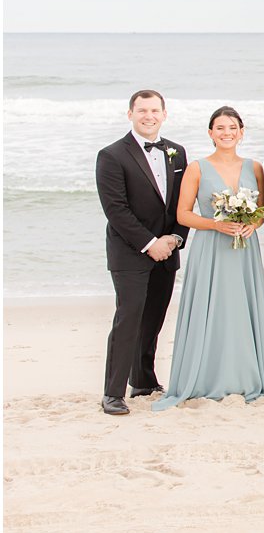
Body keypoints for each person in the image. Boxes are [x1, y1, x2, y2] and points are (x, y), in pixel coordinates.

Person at [155, 106, 264, 410]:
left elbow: (263, 210)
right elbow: (182, 214)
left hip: (244, 249)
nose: (227, 133)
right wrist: (216, 224)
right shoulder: (197, 168)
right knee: (212, 310)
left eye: (232, 128)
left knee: (241, 309)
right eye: (220, 128)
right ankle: (207, 376)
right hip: (211, 247)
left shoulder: (255, 168)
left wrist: (253, 224)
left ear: (241, 132)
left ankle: (245, 375)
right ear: (210, 133)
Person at [95, 90, 190, 415]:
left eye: (154, 110)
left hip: (168, 251)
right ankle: (112, 393)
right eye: (142, 110)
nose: (148, 116)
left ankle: (144, 380)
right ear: (130, 114)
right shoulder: (111, 155)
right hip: (130, 252)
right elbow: (116, 209)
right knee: (129, 318)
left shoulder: (177, 152)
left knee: (154, 318)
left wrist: (175, 239)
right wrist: (151, 244)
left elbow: (183, 204)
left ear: (164, 114)